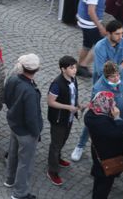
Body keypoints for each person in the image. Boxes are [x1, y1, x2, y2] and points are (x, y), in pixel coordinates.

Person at [4, 53, 43, 199]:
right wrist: (36, 132)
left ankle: (9, 179)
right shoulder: (30, 91)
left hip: (14, 124)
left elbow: (6, 98)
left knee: (13, 153)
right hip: (26, 132)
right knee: (25, 163)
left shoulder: (13, 79)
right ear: (36, 69)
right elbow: (31, 117)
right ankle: (19, 193)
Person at [85, 90, 123, 199]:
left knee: (99, 177)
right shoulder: (103, 123)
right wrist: (117, 117)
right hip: (108, 156)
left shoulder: (90, 115)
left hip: (97, 151)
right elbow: (119, 132)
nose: (114, 104)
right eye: (112, 102)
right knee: (104, 184)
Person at [46, 56, 80, 186]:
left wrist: (78, 105)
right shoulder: (57, 84)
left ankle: (57, 159)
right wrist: (68, 107)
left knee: (63, 140)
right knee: (55, 144)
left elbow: (73, 95)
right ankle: (52, 170)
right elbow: (50, 102)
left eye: (75, 67)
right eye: (71, 68)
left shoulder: (73, 79)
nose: (75, 70)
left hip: (68, 118)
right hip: (59, 119)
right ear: (63, 69)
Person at [76, 0, 110, 78]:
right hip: (90, 24)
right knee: (102, 46)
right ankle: (84, 65)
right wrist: (100, 27)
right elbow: (91, 11)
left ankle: (78, 66)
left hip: (83, 20)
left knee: (87, 44)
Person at [92, 20, 123, 84]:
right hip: (103, 85)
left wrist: (112, 72)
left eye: (122, 33)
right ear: (109, 33)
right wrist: (120, 67)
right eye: (117, 34)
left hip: (120, 85)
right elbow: (101, 71)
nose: (121, 37)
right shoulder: (100, 47)